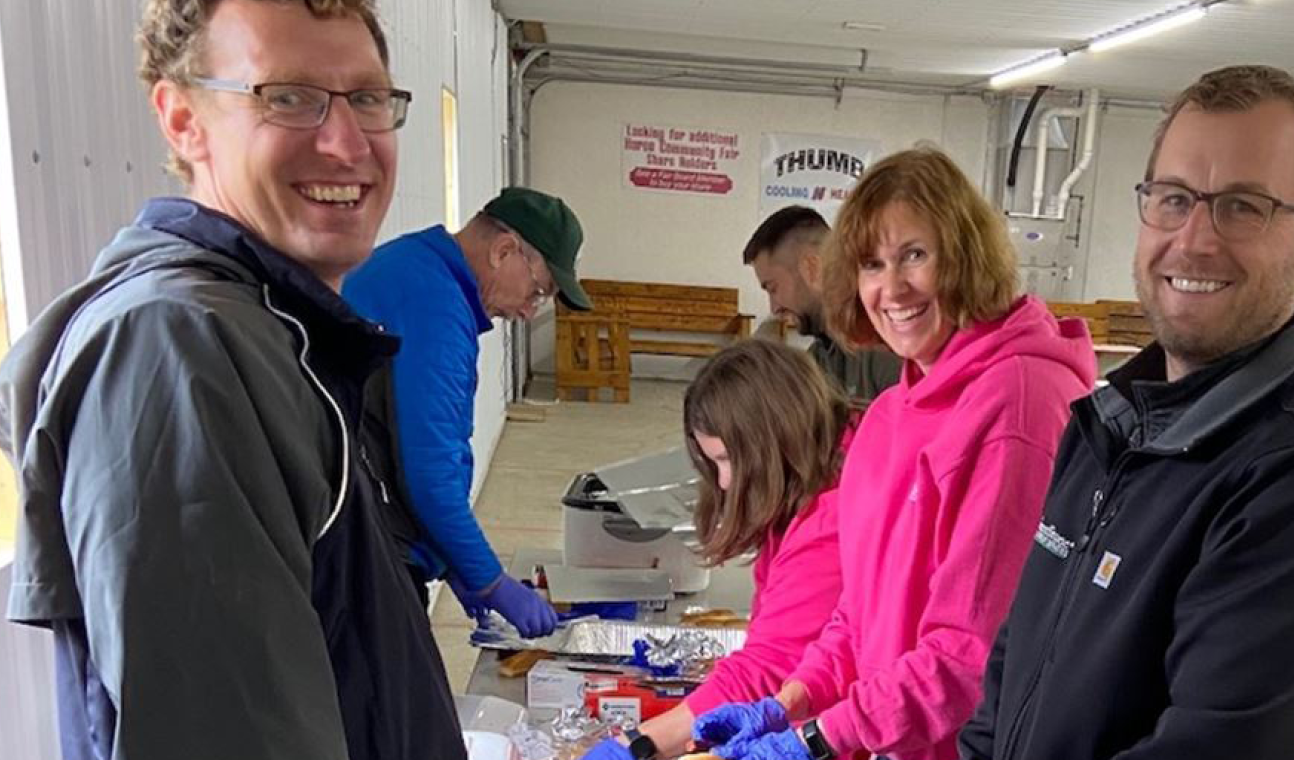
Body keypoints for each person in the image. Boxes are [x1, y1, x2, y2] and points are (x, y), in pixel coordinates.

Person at [0, 2, 465, 759]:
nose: (347, 144)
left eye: (368, 99)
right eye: (287, 97)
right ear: (183, 120)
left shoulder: (278, 333)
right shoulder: (180, 349)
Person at [958, 65, 1294, 760]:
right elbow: (1015, 664)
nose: (1194, 239)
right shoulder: (1105, 426)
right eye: (1173, 198)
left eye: (1244, 206)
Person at [692, 148, 1098, 760]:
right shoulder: (889, 415)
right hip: (897, 740)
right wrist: (791, 701)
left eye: (914, 255)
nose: (892, 288)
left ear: (965, 254)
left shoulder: (1018, 404)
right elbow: (859, 615)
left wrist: (819, 738)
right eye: (871, 265)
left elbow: (970, 656)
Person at [580, 339, 850, 760]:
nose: (724, 482)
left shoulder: (832, 520)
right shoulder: (806, 492)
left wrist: (637, 745)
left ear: (770, 439)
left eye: (727, 459)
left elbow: (768, 668)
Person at [343, 187, 589, 637]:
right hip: (359, 554)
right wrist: (491, 581)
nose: (530, 311)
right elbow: (430, 474)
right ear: (504, 250)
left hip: (360, 531)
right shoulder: (435, 306)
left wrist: (453, 561)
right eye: (538, 291)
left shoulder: (417, 267)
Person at [745, 205, 902, 404]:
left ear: (813, 268)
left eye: (773, 288)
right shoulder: (818, 357)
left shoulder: (885, 341)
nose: (774, 308)